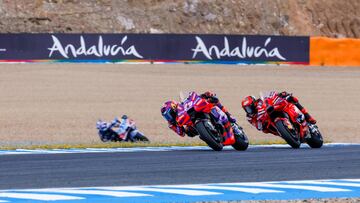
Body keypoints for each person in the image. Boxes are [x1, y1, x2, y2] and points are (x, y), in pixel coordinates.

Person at [161, 91, 238, 145]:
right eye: (167, 117)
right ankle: (209, 136)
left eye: (169, 114)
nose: (169, 117)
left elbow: (192, 97)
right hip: (192, 123)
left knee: (212, 98)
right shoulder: (172, 123)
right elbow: (182, 134)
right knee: (189, 132)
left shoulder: (182, 106)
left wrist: (203, 96)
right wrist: (177, 126)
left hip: (198, 110)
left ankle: (228, 115)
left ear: (174, 107)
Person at [241, 91, 316, 135]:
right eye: (246, 109)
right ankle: (284, 133)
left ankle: (308, 117)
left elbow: (270, 97)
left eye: (249, 107)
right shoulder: (249, 117)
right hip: (269, 120)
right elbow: (258, 127)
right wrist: (260, 122)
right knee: (265, 130)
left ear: (254, 103)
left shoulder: (260, 102)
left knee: (290, 98)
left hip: (274, 109)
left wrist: (280, 95)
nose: (249, 110)